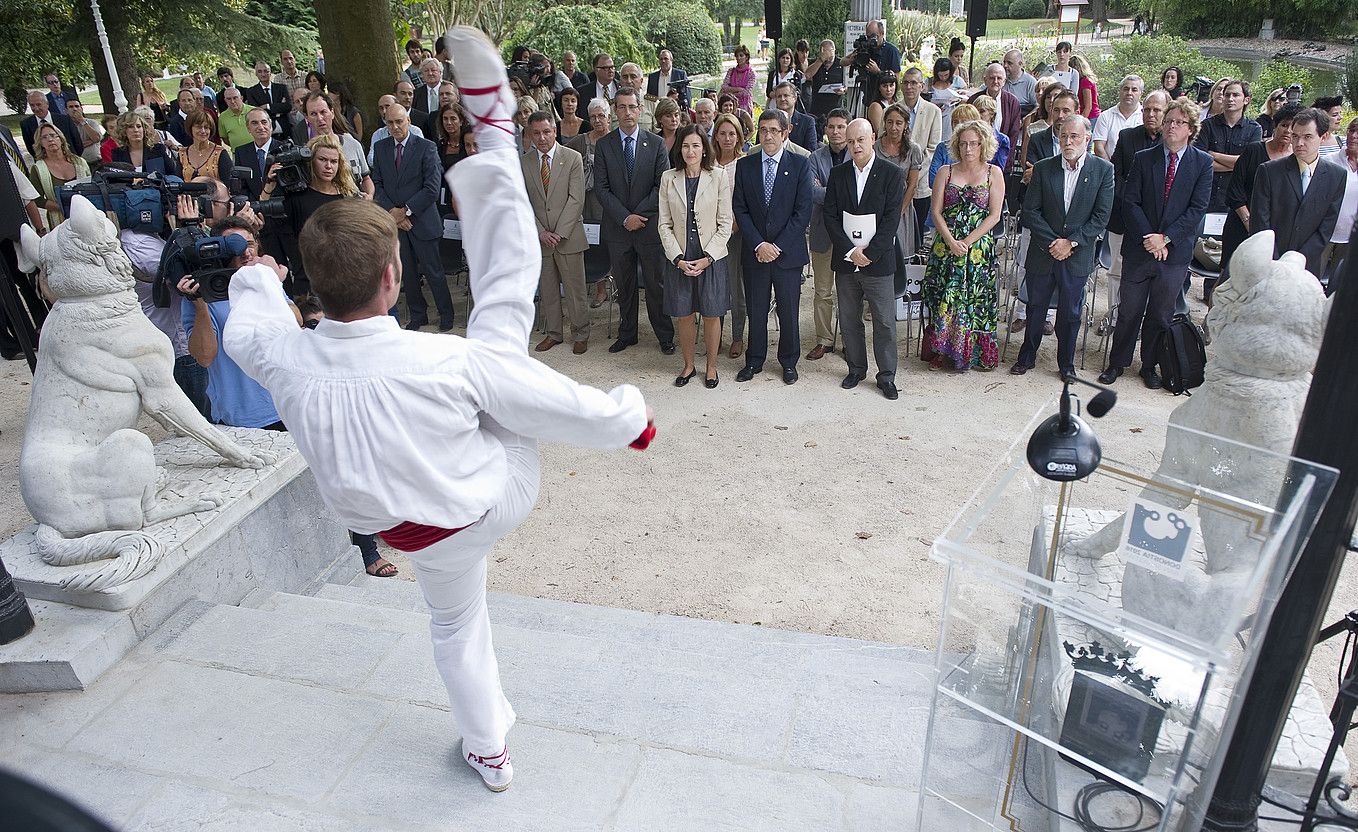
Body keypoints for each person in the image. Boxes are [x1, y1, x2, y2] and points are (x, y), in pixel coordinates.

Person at [225, 31, 655, 793]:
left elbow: (249, 326)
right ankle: (494, 135)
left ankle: (488, 751)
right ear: (395, 277)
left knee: (453, 624)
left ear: (316, 289)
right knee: (499, 324)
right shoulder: (440, 362)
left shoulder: (284, 357)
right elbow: (548, 404)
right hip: (490, 496)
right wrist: (629, 421)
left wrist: (253, 274)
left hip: (404, 526)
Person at [1099, 98, 1213, 390]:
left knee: (1160, 314)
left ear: (1191, 129)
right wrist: (1149, 237)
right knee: (1129, 311)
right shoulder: (1144, 157)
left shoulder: (1202, 163)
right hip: (1140, 247)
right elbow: (1130, 201)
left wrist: (1166, 238)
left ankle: (1149, 365)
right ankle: (1117, 362)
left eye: (1178, 122)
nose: (1171, 127)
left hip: (1174, 253)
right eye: (1168, 121)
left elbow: (1197, 209)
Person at [1011, 114, 1115, 380]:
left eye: (1074, 136)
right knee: (1036, 307)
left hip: (1077, 255)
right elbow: (1031, 212)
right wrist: (1053, 242)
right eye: (1064, 135)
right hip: (1043, 252)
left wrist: (1071, 243)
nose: (1068, 141)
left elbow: (1101, 217)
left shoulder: (1103, 170)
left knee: (1070, 313)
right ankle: (1027, 356)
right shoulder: (1044, 168)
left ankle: (1065, 364)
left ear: (1087, 139)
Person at [824, 117, 906, 399]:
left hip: (878, 262)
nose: (856, 145)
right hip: (846, 261)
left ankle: (886, 376)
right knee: (849, 319)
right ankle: (856, 369)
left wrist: (869, 254)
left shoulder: (892, 174)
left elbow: (891, 219)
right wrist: (850, 252)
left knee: (884, 321)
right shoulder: (838, 174)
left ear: (873, 138)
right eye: (850, 141)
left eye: (860, 140)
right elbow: (831, 217)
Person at [731, 108, 813, 385]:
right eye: (763, 130)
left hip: (787, 254)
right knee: (756, 309)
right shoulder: (746, 165)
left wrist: (775, 246)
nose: (768, 135)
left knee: (788, 311)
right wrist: (759, 244)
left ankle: (788, 362)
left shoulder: (801, 164)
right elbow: (740, 209)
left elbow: (802, 213)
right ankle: (754, 360)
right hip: (755, 253)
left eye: (774, 130)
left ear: (785, 132)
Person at [594, 86, 673, 354]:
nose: (627, 112)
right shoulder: (604, 145)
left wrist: (637, 215)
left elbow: (661, 184)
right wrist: (625, 217)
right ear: (615, 111)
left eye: (632, 107)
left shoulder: (657, 143)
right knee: (625, 286)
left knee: (656, 284)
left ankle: (664, 335)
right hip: (618, 229)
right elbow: (602, 189)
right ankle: (627, 333)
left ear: (640, 110)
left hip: (649, 227)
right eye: (622, 107)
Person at [923, 119, 1005, 371]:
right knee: (944, 297)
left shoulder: (994, 173)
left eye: (974, 143)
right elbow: (935, 212)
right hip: (945, 245)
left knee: (974, 299)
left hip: (978, 248)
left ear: (983, 145)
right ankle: (942, 352)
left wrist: (967, 242)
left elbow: (995, 215)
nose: (968, 148)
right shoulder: (945, 171)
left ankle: (972, 353)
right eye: (963, 143)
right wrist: (950, 240)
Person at [371, 103, 457, 332]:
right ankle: (418, 315)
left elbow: (432, 187)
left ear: (408, 121)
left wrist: (406, 211)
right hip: (396, 224)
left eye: (399, 121)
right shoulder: (380, 148)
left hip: (422, 221)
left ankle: (446, 314)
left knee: (434, 271)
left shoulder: (426, 147)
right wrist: (394, 214)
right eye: (390, 123)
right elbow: (377, 185)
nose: (395, 126)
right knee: (406, 273)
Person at [658, 124, 732, 388]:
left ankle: (711, 367)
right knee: (684, 313)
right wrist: (677, 258)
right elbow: (664, 224)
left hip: (710, 256)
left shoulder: (719, 176)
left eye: (696, 145)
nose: (690, 151)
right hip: (681, 257)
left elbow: (725, 223)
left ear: (704, 148)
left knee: (712, 313)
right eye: (686, 145)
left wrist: (708, 257)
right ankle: (688, 365)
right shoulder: (669, 178)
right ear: (679, 148)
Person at [521, 111, 590, 354]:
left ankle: (581, 333)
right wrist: (540, 232)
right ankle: (554, 333)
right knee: (548, 290)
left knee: (575, 290)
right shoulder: (524, 162)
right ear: (530, 134)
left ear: (555, 131)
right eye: (536, 133)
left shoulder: (572, 158)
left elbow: (576, 199)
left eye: (546, 132)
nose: (542, 138)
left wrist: (558, 233)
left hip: (568, 237)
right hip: (540, 240)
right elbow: (523, 202)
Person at [1250, 107, 1345, 278]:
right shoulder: (1269, 171)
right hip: (1268, 261)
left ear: (1323, 137)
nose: (1299, 143)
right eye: (1295, 136)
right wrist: (1275, 260)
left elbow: (1327, 225)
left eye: (1307, 137)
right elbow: (1260, 221)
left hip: (1306, 266)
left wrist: (1297, 261)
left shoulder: (1336, 175)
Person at [261, 133, 358, 295]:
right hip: (307, 281)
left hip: (343, 279)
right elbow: (265, 220)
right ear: (311, 161)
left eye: (334, 161)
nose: (329, 166)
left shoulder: (347, 196)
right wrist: (269, 185)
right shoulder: (296, 197)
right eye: (322, 160)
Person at [1220, 104, 1297, 286]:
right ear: (1275, 126)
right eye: (1284, 125)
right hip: (1240, 225)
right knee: (1228, 280)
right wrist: (1250, 224)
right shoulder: (1254, 150)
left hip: (1276, 232)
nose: (1288, 130)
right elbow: (1235, 191)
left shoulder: (1296, 160)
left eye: (1294, 126)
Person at [1107, 90, 1169, 311]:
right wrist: (1133, 201)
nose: (1151, 114)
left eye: (1157, 110)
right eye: (1147, 109)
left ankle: (1140, 317)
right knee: (1117, 268)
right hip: (1123, 214)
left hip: (1157, 223)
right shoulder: (1127, 136)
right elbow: (1116, 174)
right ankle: (1114, 315)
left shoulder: (1172, 142)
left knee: (1150, 271)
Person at [806, 109, 851, 361]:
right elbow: (812, 193)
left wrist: (828, 191)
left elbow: (857, 193)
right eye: (832, 127)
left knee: (847, 291)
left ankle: (848, 340)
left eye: (841, 127)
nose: (836, 131)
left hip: (850, 235)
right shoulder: (814, 158)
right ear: (825, 129)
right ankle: (824, 340)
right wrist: (840, 193)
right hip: (823, 232)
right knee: (822, 290)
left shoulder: (857, 155)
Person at [1195, 79, 1261, 234]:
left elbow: (1249, 164)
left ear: (1246, 100)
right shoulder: (1207, 126)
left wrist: (1214, 154)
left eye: (1235, 95)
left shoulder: (1254, 129)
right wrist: (1237, 163)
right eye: (1227, 95)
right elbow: (1200, 162)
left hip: (1235, 200)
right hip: (1206, 195)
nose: (1230, 99)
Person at [566, 98, 612, 310]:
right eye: (593, 117)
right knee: (595, 243)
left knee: (615, 244)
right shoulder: (580, 141)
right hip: (588, 203)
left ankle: (618, 285)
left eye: (601, 115)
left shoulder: (615, 140)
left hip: (612, 202)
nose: (597, 120)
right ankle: (600, 289)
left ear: (609, 117)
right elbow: (562, 157)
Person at [712, 112, 750, 359]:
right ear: (716, 135)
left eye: (732, 134)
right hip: (711, 234)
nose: (727, 138)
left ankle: (737, 337)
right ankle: (715, 335)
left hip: (737, 234)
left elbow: (746, 201)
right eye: (723, 133)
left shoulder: (745, 164)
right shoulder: (707, 163)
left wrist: (733, 227)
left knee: (737, 288)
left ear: (738, 137)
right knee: (714, 288)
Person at [298, 91, 375, 198]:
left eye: (323, 112)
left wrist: (370, 195)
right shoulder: (306, 153)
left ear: (332, 113)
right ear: (307, 118)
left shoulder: (353, 144)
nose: (320, 118)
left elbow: (366, 178)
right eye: (313, 114)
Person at [876, 103, 924, 260]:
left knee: (900, 255)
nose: (893, 127)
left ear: (905, 125)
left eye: (898, 123)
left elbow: (912, 184)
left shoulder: (913, 149)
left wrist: (898, 212)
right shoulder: (875, 147)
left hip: (901, 206)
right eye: (890, 122)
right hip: (878, 204)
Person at [901, 68, 943, 245]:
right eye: (906, 82)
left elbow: (933, 148)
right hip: (897, 178)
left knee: (917, 230)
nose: (909, 87)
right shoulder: (893, 109)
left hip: (921, 181)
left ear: (922, 86)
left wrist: (914, 173)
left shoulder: (933, 111)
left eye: (914, 83)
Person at [28, 124, 90, 231]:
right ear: (40, 143)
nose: (50, 139)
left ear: (61, 139)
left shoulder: (80, 162)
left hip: (86, 214)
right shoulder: (38, 168)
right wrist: (62, 207)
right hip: (59, 220)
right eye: (44, 137)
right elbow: (36, 199)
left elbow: (91, 186)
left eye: (53, 135)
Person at [1319, 116, 1357, 289]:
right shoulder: (1328, 161)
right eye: (1351, 130)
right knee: (1312, 278)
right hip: (1324, 232)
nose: (1354, 136)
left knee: (1339, 285)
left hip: (1350, 236)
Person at [111, 110, 179, 176]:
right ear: (123, 131)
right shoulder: (118, 154)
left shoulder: (158, 150)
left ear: (144, 129)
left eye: (139, 126)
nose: (136, 130)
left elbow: (173, 174)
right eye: (130, 127)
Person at [1092, 75, 1143, 160]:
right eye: (1126, 89)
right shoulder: (1105, 116)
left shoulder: (1146, 116)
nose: (1129, 93)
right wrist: (1111, 169)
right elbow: (1098, 147)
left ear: (1141, 94)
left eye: (1134, 90)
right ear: (1120, 91)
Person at [21, 89, 83, 158]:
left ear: (47, 104)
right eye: (32, 105)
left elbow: (78, 143)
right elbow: (31, 148)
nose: (36, 108)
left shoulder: (65, 120)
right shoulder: (26, 124)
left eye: (39, 104)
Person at [367, 93, 426, 163]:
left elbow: (420, 156)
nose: (384, 111)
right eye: (381, 108)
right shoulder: (378, 134)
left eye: (387, 106)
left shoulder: (415, 131)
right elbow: (371, 159)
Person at [177, 110, 233, 183]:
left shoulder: (220, 153)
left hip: (215, 194)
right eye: (198, 127)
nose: (203, 131)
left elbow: (228, 183)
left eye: (206, 127)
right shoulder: (182, 154)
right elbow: (178, 182)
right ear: (190, 128)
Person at [804, 39, 845, 135]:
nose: (827, 55)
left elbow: (847, 84)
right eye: (824, 51)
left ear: (834, 51)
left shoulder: (841, 64)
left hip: (835, 105)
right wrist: (821, 60)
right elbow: (807, 75)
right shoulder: (815, 63)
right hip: (817, 107)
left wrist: (843, 90)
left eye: (830, 51)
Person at [244, 60, 292, 138]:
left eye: (266, 71)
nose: (263, 74)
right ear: (256, 74)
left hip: (285, 130)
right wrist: (279, 108)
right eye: (260, 71)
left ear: (270, 72)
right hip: (266, 132)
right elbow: (257, 111)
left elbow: (288, 106)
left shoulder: (281, 88)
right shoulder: (251, 91)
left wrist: (267, 106)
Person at [772, 81, 819, 152]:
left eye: (786, 95)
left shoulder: (807, 122)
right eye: (779, 96)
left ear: (794, 98)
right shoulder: (768, 121)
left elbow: (811, 150)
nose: (782, 99)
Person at [575, 54, 618, 118]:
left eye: (612, 67)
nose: (611, 70)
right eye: (606, 68)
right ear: (596, 70)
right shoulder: (582, 92)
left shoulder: (622, 87)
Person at [929, 59, 963, 138]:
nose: (943, 78)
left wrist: (958, 99)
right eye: (940, 75)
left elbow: (966, 99)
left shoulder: (957, 81)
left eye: (946, 75)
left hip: (951, 118)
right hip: (934, 118)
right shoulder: (929, 82)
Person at [65, 101, 105, 167]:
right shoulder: (66, 126)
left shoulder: (92, 122)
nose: (74, 109)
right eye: (71, 107)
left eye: (77, 106)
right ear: (66, 110)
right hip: (78, 164)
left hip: (96, 161)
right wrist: (91, 141)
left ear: (81, 109)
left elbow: (96, 139)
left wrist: (82, 121)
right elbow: (69, 145)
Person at [720, 46, 757, 113]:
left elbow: (746, 92)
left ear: (746, 57)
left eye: (741, 55)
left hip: (745, 107)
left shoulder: (751, 73)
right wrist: (739, 89)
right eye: (737, 56)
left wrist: (730, 91)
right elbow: (724, 87)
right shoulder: (731, 71)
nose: (738, 58)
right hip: (730, 107)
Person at [1002, 50, 1038, 115]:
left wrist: (1027, 119)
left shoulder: (1030, 82)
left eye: (1009, 63)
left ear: (1020, 64)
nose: (1005, 65)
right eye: (1004, 62)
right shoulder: (999, 80)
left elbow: (1038, 106)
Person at [1069, 54, 1101, 126]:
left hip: (1091, 117)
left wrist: (1080, 123)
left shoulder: (1085, 81)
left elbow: (1088, 106)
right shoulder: (1081, 81)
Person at [866, 73, 899, 138]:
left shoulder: (897, 103)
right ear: (879, 88)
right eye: (885, 86)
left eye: (891, 85)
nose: (888, 89)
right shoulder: (875, 106)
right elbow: (879, 132)